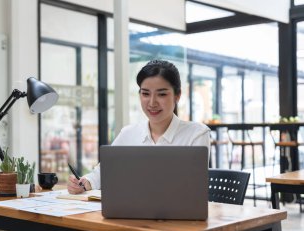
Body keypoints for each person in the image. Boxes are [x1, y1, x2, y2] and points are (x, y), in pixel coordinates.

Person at [68, 59, 210, 194]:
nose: (152, 102)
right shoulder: (128, 133)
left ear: (177, 96)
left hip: (178, 216)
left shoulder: (196, 134)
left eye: (161, 94)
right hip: (129, 212)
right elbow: (105, 171)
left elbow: (193, 187)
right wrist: (85, 182)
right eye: (145, 94)